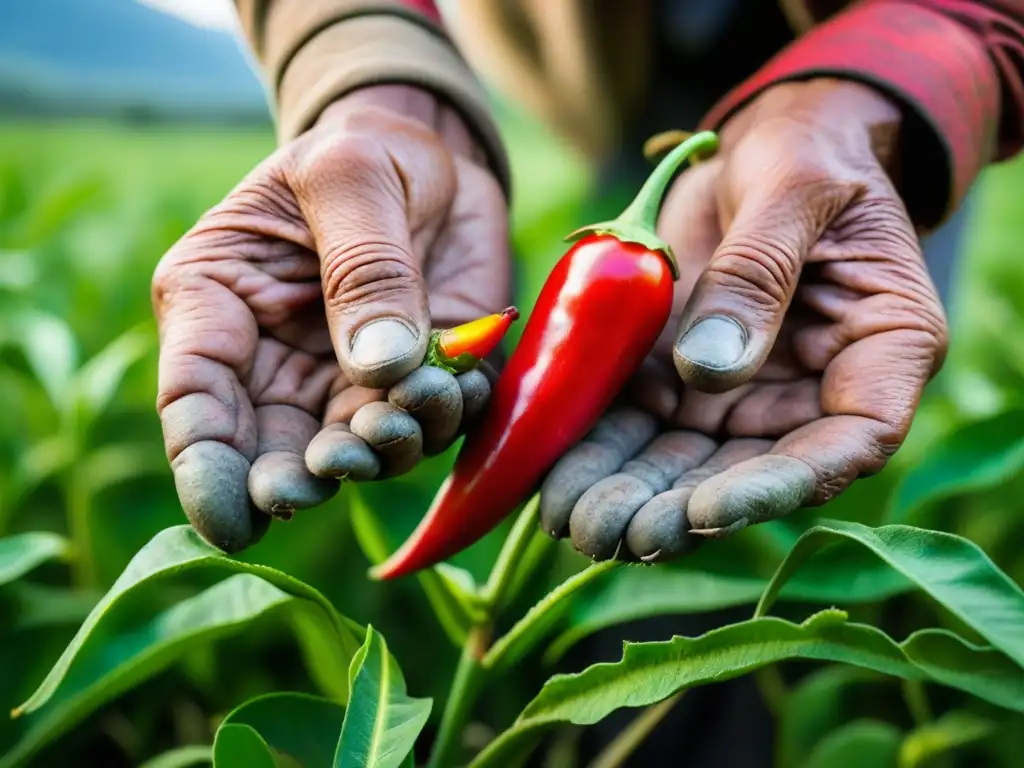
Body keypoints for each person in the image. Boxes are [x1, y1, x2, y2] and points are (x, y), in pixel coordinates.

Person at [151, 0, 1024, 762]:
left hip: (877, 74)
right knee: (639, 472)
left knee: (765, 439)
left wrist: (880, 94)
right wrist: (373, 76)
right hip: (603, 61)